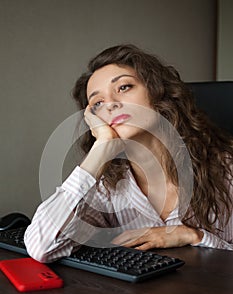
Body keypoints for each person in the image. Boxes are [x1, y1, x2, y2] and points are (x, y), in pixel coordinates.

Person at [24, 44, 233, 263]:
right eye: (98, 103)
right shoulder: (108, 186)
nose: (111, 104)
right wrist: (100, 151)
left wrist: (196, 237)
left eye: (124, 87)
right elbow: (42, 247)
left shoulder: (226, 168)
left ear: (157, 92)